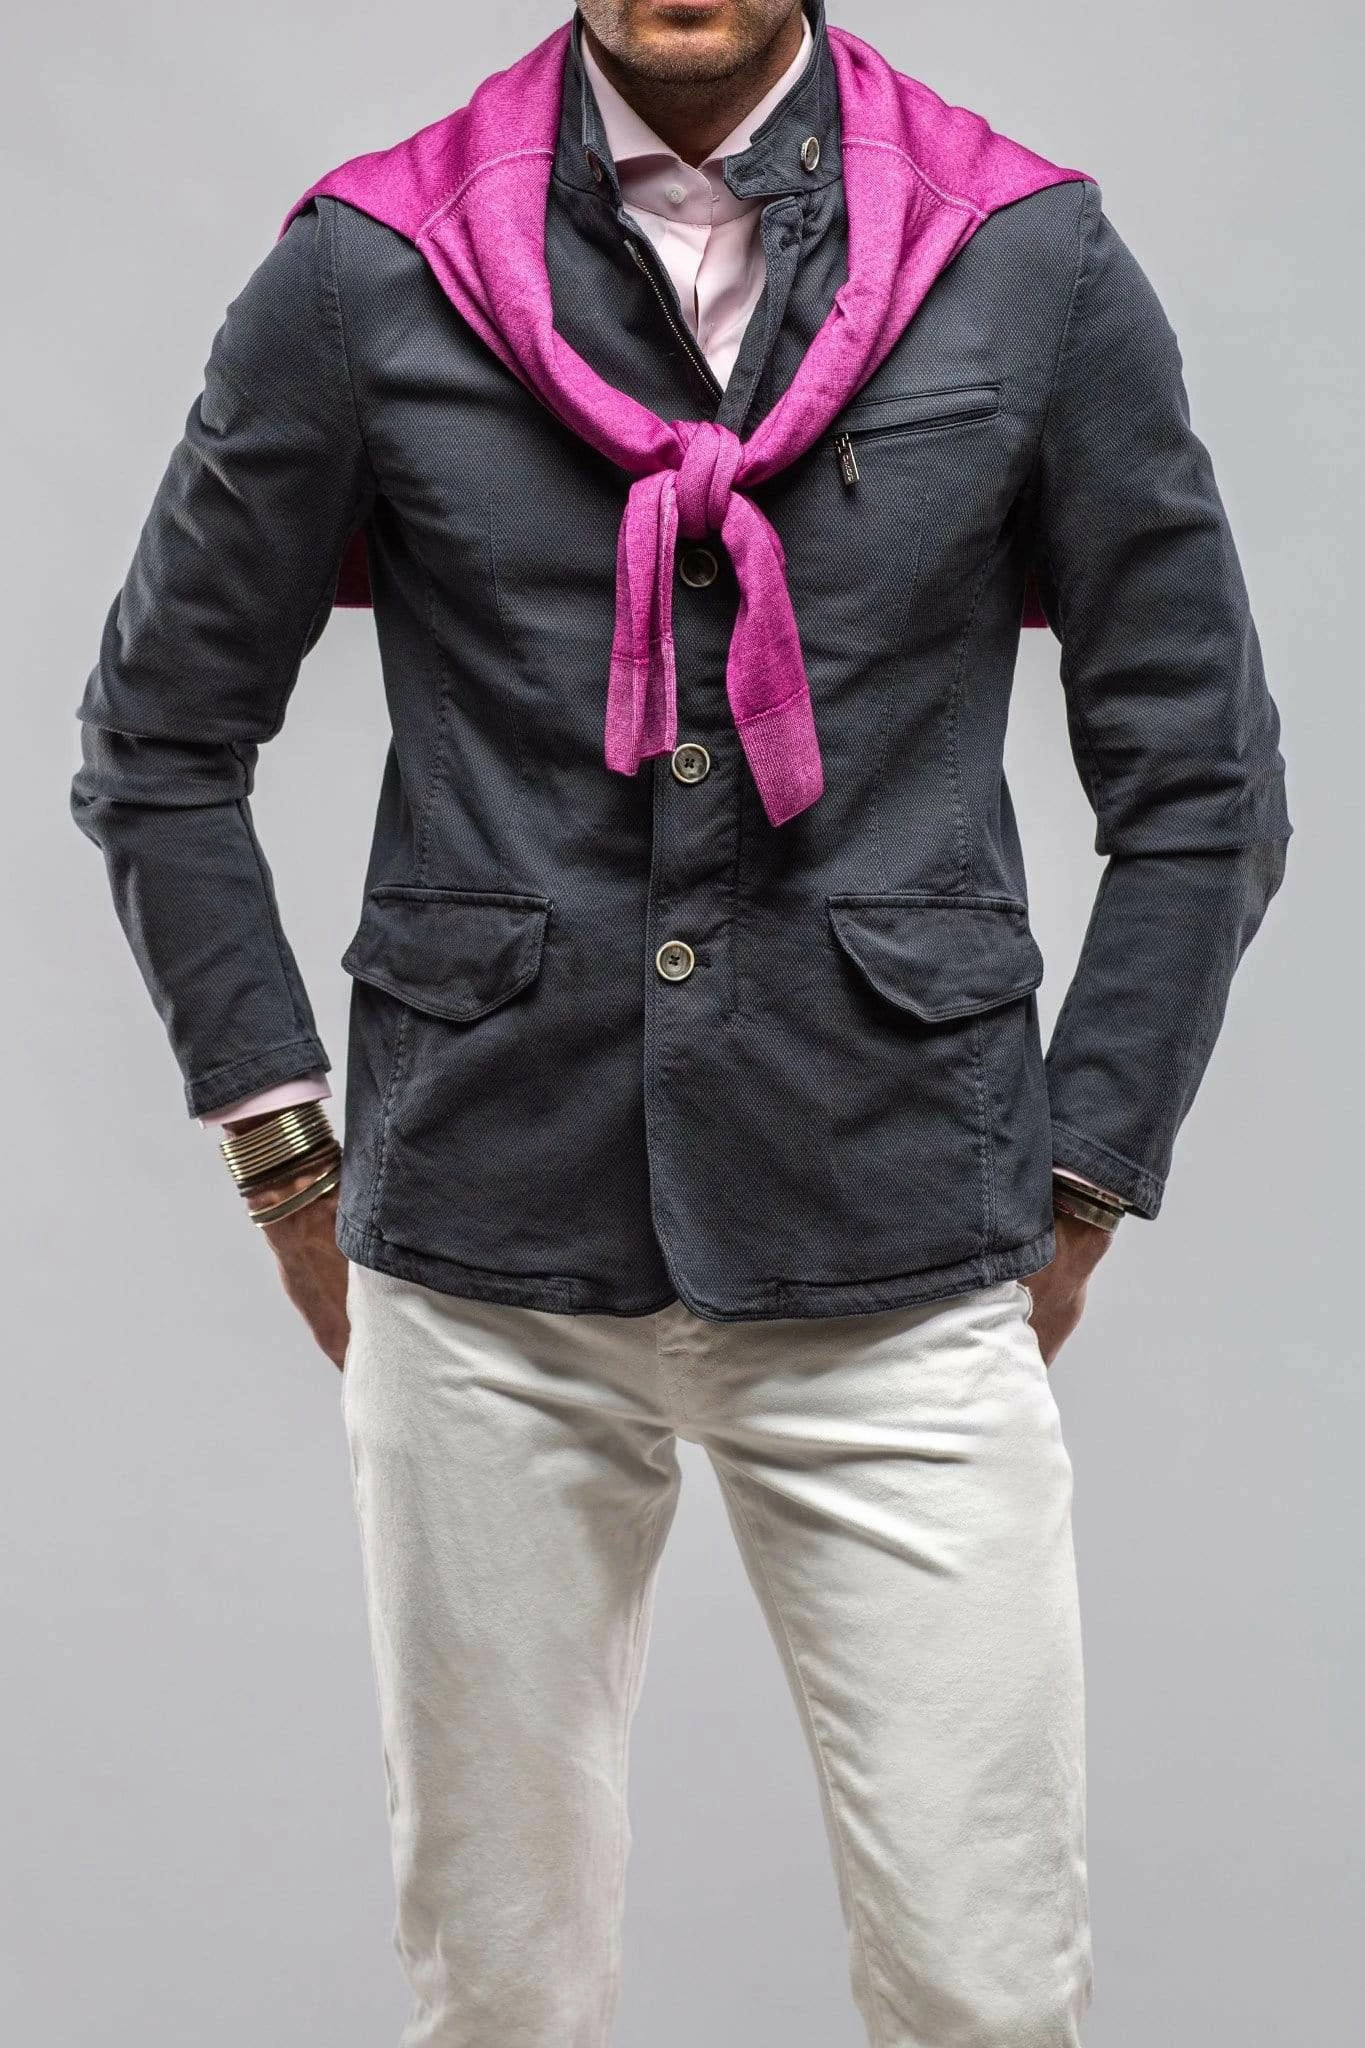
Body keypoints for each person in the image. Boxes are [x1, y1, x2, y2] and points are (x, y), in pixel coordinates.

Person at [69, 2, 1290, 2041]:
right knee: (502, 1994)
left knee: (987, 1989)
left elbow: (1205, 780)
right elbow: (159, 741)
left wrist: (1084, 1173)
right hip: (481, 1236)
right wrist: (281, 1147)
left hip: (901, 1226)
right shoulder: (371, 264)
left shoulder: (1024, 257)